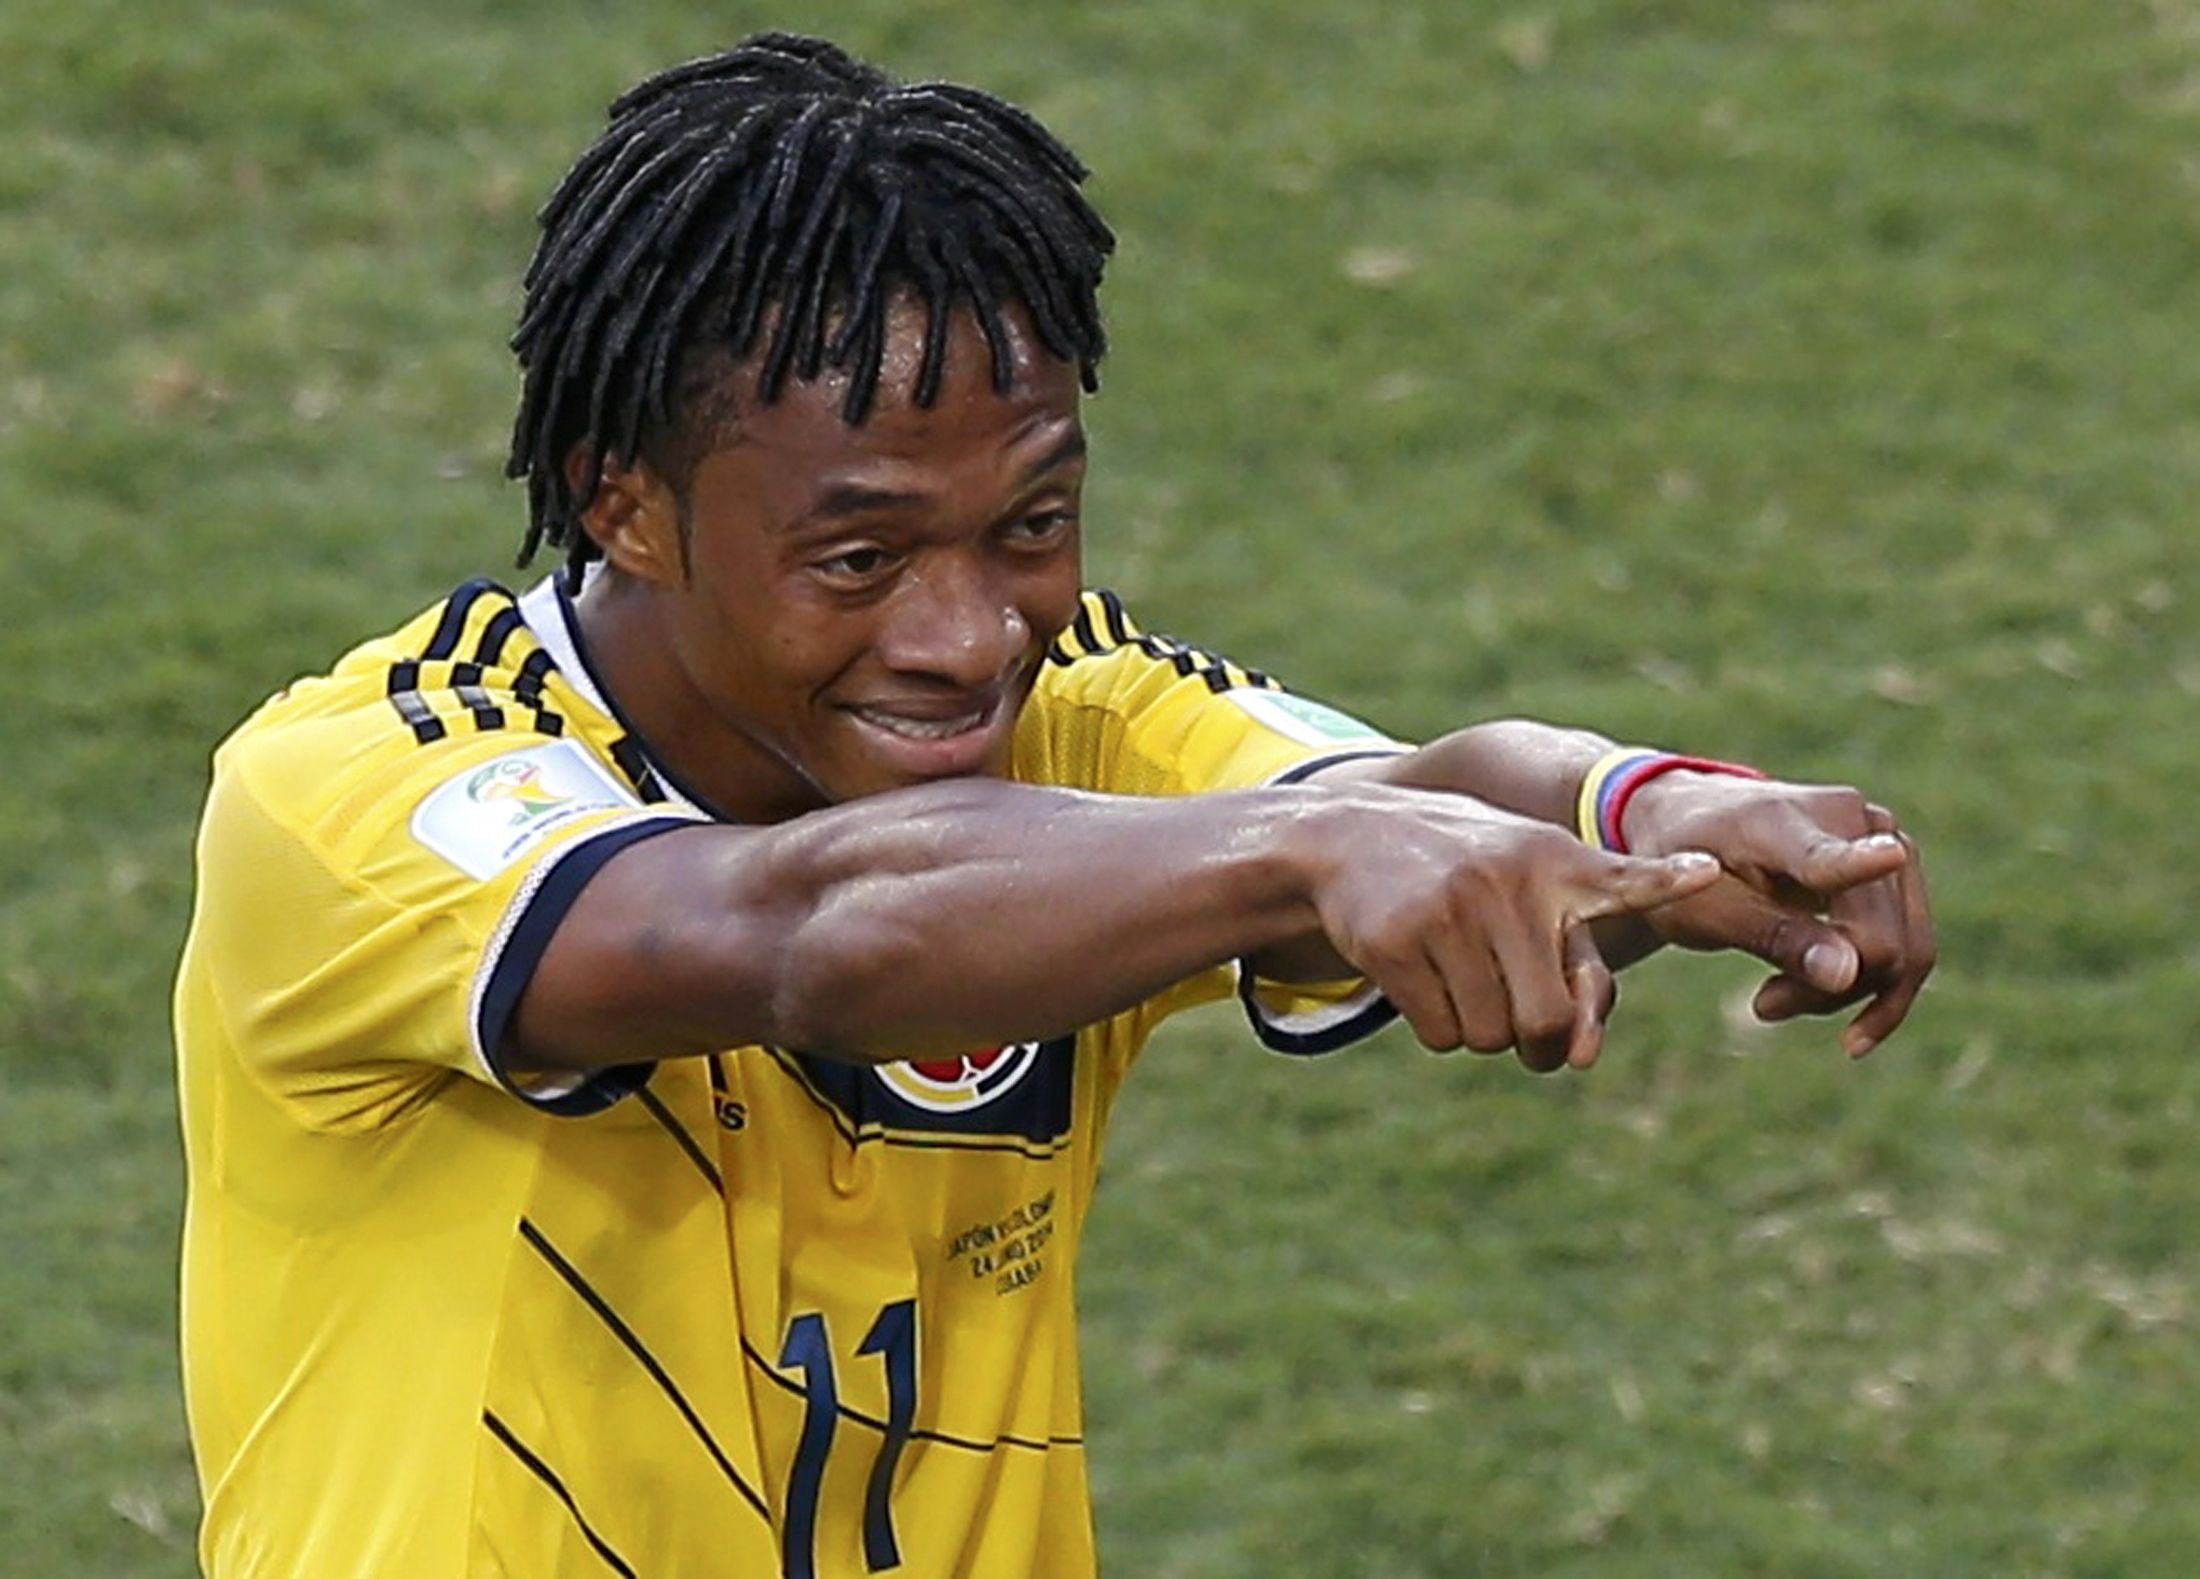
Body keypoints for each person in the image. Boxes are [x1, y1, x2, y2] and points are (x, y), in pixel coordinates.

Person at [173, 32, 1934, 1578]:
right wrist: (1309, 854)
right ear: (621, 503)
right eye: (860, 558)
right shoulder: (368, 793)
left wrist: (1650, 808)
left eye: (1030, 526)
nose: (967, 640)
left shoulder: (1074, 712)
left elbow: (1410, 790)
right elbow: (799, 931)